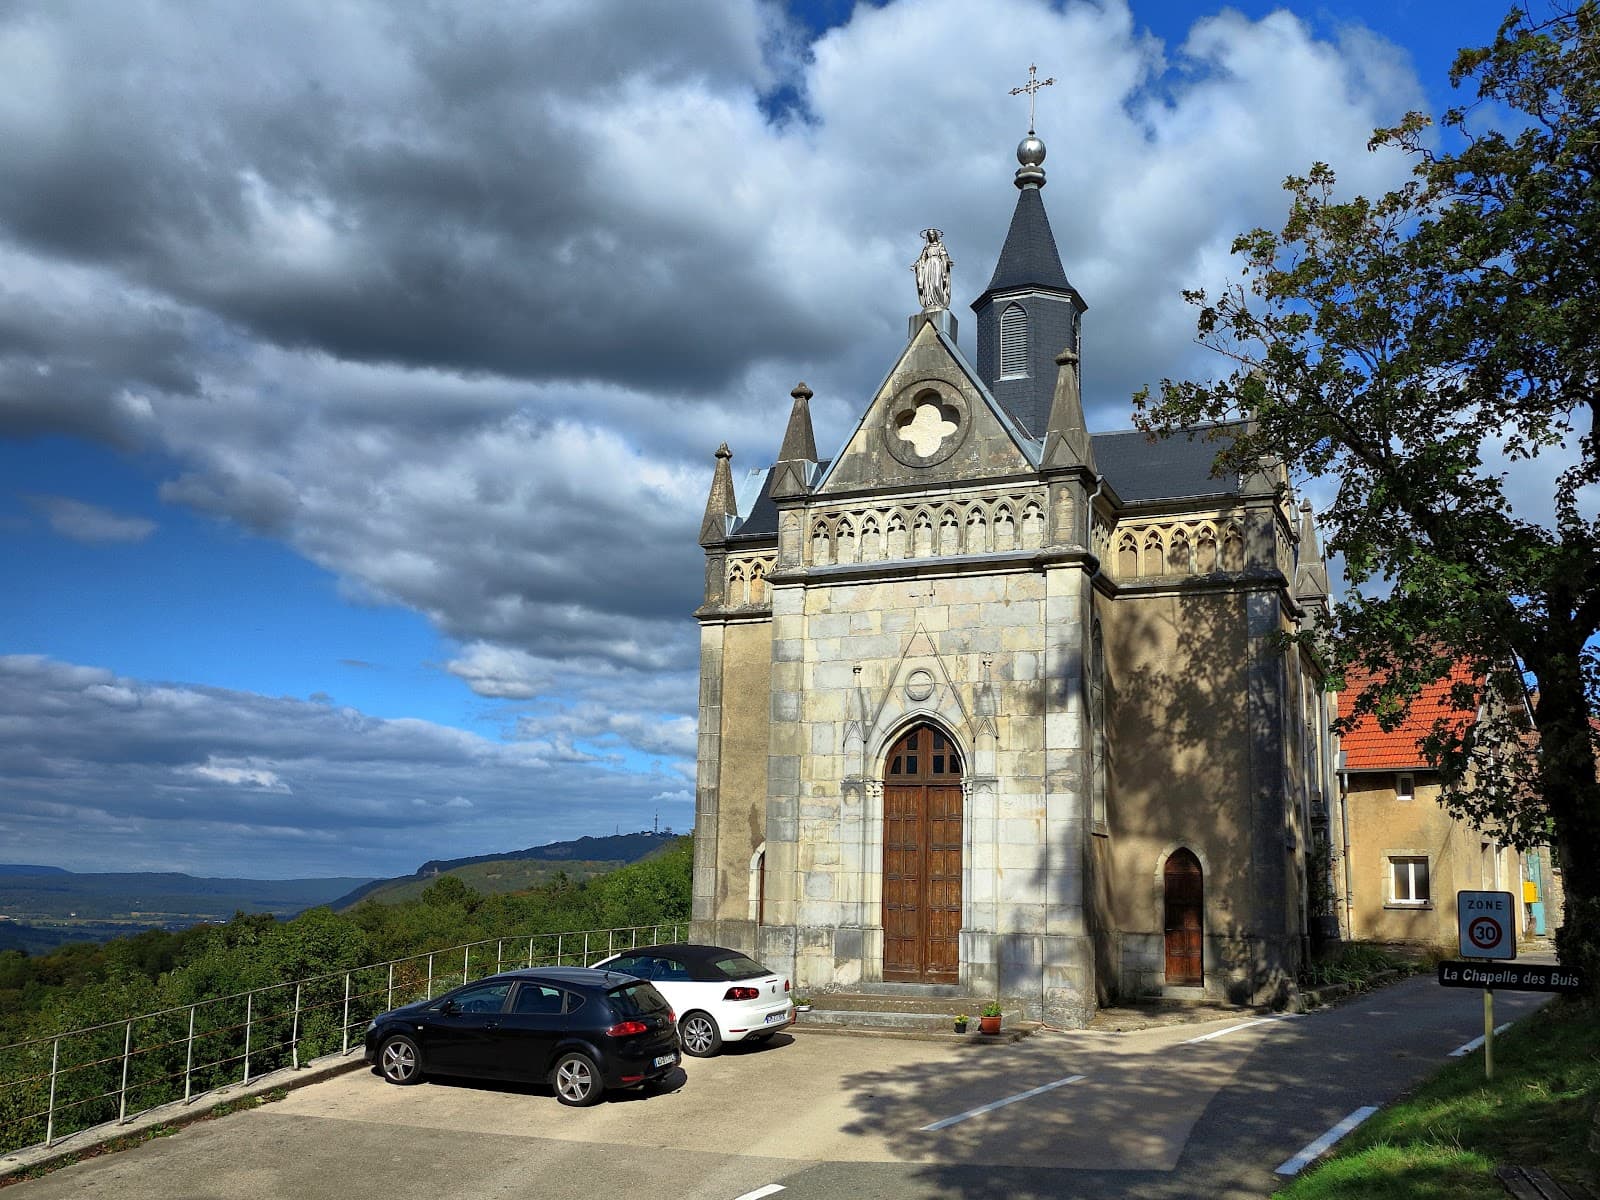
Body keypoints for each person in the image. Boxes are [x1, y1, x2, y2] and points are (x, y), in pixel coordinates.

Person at [912, 228, 952, 311]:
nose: (931, 236)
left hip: (937, 265)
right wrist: (917, 265)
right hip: (928, 266)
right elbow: (922, 259)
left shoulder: (940, 245)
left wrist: (945, 269)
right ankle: (930, 302)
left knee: (937, 284)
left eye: (932, 234)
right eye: (929, 235)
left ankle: (940, 303)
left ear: (936, 235)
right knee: (929, 286)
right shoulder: (926, 247)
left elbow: (944, 258)